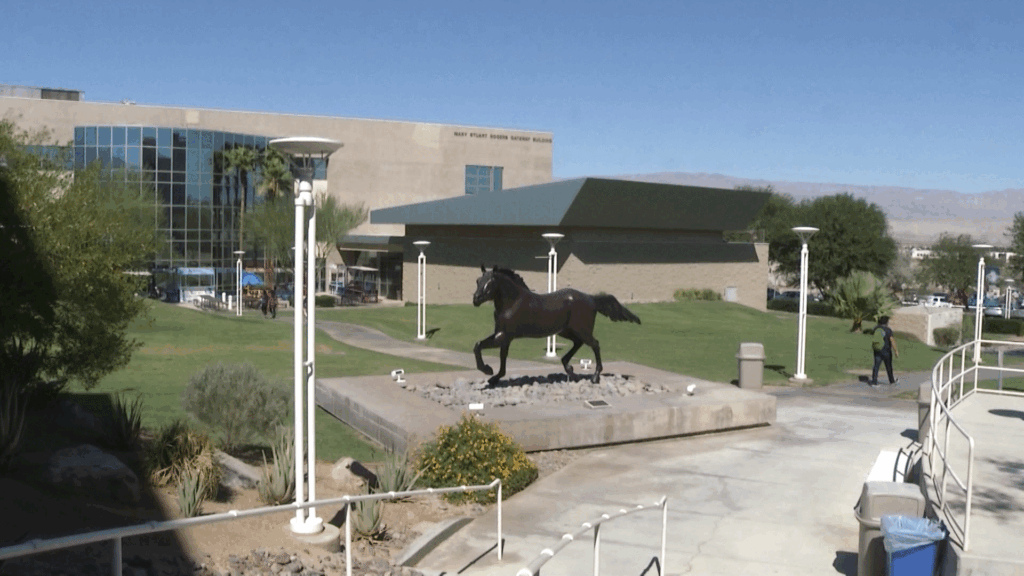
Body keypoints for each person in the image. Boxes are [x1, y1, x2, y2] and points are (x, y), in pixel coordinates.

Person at [869, 315, 900, 386]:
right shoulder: (888, 330)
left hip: (877, 350)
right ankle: (892, 381)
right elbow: (892, 340)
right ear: (886, 322)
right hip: (886, 351)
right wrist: (896, 351)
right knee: (888, 367)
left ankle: (874, 381)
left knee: (876, 366)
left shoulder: (876, 328)